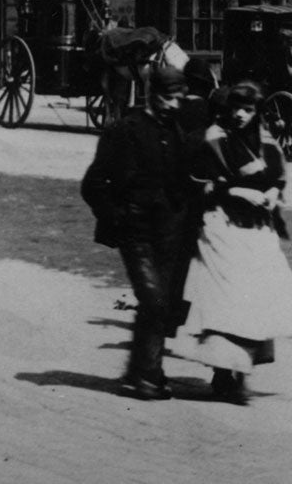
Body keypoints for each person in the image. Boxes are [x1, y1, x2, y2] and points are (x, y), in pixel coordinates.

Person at [168, 81, 292, 402]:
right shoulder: (214, 138)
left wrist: (271, 193)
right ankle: (224, 371)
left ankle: (239, 369)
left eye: (248, 110)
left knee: (254, 298)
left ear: (257, 112)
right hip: (221, 225)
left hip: (255, 229)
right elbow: (201, 182)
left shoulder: (263, 141)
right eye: (235, 108)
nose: (240, 115)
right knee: (226, 297)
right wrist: (237, 191)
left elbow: (276, 175)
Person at [80, 63, 194, 400]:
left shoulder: (176, 130)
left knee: (162, 302)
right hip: (137, 232)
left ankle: (141, 371)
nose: (176, 105)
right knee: (153, 299)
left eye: (180, 99)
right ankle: (147, 375)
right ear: (153, 95)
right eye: (172, 98)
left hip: (170, 232)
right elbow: (93, 184)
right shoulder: (125, 130)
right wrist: (116, 217)